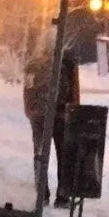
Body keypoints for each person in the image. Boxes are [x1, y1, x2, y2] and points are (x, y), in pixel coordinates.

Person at [23, 30, 80, 208]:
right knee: (64, 155)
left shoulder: (33, 64)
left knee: (40, 154)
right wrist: (74, 112)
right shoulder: (68, 63)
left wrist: (30, 109)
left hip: (39, 115)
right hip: (61, 115)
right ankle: (62, 197)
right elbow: (74, 90)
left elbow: (28, 88)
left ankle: (42, 194)